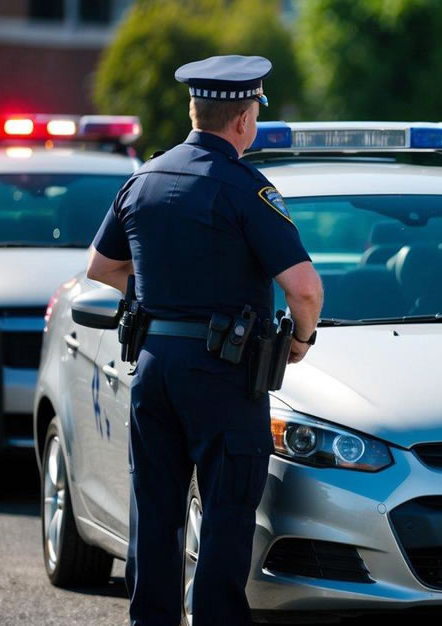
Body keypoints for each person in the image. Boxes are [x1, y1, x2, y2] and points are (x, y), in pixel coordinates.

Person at [85, 55, 324, 625]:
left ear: (195, 112)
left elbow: (100, 266)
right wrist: (301, 340)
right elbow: (305, 290)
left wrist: (160, 293)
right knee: (225, 515)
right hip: (223, 374)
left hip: (153, 365)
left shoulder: (143, 178)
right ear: (243, 120)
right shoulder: (245, 188)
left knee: (155, 511)